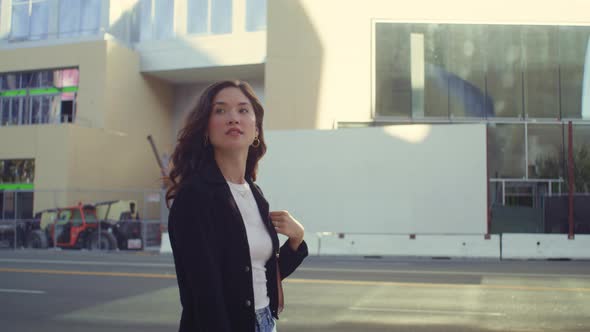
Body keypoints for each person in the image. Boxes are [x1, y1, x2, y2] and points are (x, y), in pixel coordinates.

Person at [166, 80, 308, 332]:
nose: (233, 118)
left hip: (266, 323)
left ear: (256, 129)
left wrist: (296, 240)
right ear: (206, 130)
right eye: (220, 110)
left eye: (243, 110)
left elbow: (256, 277)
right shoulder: (195, 196)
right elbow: (207, 297)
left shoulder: (255, 194)